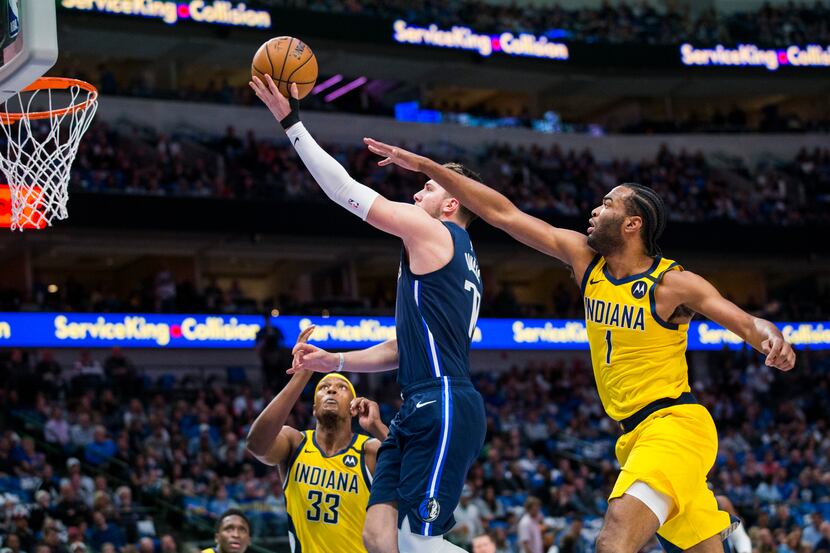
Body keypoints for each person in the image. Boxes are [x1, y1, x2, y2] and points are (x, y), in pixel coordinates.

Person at [362, 139, 796, 553]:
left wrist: (769, 336)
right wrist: (426, 166)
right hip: (633, 436)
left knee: (612, 542)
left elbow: (740, 318)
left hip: (674, 428)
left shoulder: (671, 283)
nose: (595, 208)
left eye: (608, 203)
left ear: (633, 224)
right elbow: (501, 213)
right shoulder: (585, 261)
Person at [251, 76, 487, 553]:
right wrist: (333, 362)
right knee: (378, 538)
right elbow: (401, 349)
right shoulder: (460, 260)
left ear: (451, 202)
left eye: (426, 188)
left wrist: (291, 122)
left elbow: (345, 191)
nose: (418, 196)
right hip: (422, 403)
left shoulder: (434, 232)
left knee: (418, 541)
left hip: (441, 402)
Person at [247, 327, 388, 552]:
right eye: (323, 387)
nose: (331, 390)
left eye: (341, 388)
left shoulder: (369, 450)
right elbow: (256, 444)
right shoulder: (295, 443)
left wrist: (378, 428)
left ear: (354, 408)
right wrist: (302, 375)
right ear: (313, 408)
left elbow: (416, 474)